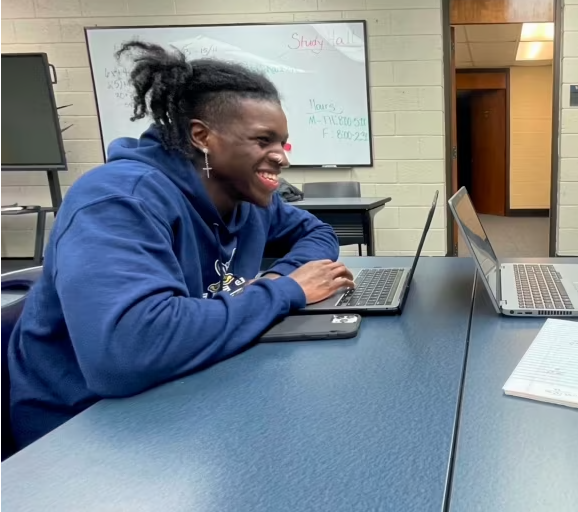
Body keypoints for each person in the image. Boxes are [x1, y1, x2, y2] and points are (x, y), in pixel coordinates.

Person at [7, 42, 354, 448]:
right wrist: (284, 292)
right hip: (83, 426)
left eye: (283, 142)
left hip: (181, 383)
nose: (281, 157)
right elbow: (126, 352)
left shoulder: (246, 197)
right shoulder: (119, 200)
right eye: (263, 140)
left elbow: (319, 234)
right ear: (202, 136)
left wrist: (282, 275)